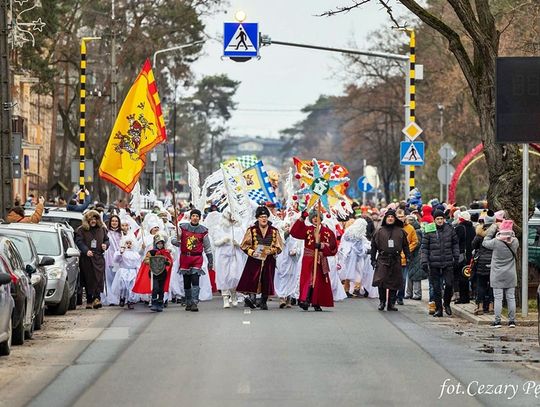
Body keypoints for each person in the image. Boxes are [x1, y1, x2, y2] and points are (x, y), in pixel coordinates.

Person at [237, 206, 284, 310]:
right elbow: (244, 245)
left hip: (269, 260)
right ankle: (252, 299)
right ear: (257, 218)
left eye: (265, 217)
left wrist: (271, 251)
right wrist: (252, 252)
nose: (264, 219)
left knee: (267, 279)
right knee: (252, 278)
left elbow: (279, 246)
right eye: (262, 217)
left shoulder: (274, 231)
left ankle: (263, 301)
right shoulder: (252, 230)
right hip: (254, 259)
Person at [290, 210, 338, 311]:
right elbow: (294, 232)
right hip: (308, 258)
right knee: (308, 279)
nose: (316, 219)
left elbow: (333, 247)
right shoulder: (307, 230)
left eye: (318, 217)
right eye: (313, 217)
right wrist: (301, 219)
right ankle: (305, 300)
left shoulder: (327, 232)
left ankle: (317, 302)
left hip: (320, 259)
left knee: (319, 280)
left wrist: (321, 246)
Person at [172, 209, 214, 312]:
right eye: (193, 216)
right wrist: (176, 241)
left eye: (197, 216)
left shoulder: (203, 231)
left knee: (195, 280)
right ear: (190, 217)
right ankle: (188, 301)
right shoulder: (183, 228)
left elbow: (207, 247)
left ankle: (195, 302)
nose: (195, 218)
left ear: (200, 218)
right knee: (186, 281)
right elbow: (173, 239)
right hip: (185, 257)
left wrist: (210, 260)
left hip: (197, 258)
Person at [421, 209, 459, 317]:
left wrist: (456, 257)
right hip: (434, 262)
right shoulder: (429, 229)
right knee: (436, 287)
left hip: (447, 261)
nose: (440, 221)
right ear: (434, 220)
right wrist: (424, 261)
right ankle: (438, 309)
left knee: (449, 284)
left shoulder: (450, 229)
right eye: (438, 219)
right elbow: (424, 247)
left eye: (441, 219)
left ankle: (446, 303)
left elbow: (455, 244)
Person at [371, 209, 411, 311]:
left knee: (395, 282)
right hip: (382, 258)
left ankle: (391, 304)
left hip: (395, 258)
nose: (390, 218)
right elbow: (373, 247)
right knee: (381, 281)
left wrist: (408, 257)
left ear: (394, 219)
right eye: (388, 217)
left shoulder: (400, 231)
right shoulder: (379, 231)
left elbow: (406, 246)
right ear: (385, 218)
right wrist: (373, 259)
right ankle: (382, 302)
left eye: (392, 217)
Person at [482, 220, 518, 328]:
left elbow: (485, 242)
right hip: (510, 273)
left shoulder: (495, 242)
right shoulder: (515, 241)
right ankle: (512, 321)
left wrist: (493, 228)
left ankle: (497, 321)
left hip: (497, 273)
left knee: (498, 298)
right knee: (511, 297)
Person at [212, 209, 247, 308]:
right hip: (222, 256)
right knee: (223, 277)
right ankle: (225, 298)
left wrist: (238, 244)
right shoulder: (218, 228)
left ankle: (234, 294)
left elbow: (243, 243)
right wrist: (223, 240)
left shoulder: (238, 228)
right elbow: (215, 242)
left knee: (234, 276)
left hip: (234, 255)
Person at [75, 210, 110, 309]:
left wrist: (105, 245)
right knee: (88, 279)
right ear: (87, 220)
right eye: (91, 219)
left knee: (98, 279)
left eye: (95, 219)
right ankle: (89, 300)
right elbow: (79, 241)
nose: (93, 221)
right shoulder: (81, 230)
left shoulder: (102, 229)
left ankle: (97, 299)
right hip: (87, 259)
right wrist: (86, 250)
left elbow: (107, 240)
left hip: (98, 257)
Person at [133, 233, 173, 312]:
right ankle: (154, 303)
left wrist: (166, 262)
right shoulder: (151, 252)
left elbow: (169, 261)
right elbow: (146, 260)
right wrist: (151, 261)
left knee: (161, 289)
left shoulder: (166, 252)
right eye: (158, 243)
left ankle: (160, 303)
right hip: (153, 273)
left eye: (161, 243)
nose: (160, 245)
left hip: (162, 273)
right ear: (155, 243)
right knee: (155, 288)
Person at [471, 211, 495, 315]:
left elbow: (473, 245)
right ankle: (491, 307)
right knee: (492, 285)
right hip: (493, 261)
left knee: (481, 284)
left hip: (481, 262)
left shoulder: (480, 231)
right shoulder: (496, 232)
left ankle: (480, 306)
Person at [274, 221, 303, 308]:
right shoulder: (279, 237)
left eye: (288, 226)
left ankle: (289, 298)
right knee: (281, 277)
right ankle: (282, 297)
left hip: (291, 261)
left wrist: (296, 252)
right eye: (285, 226)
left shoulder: (295, 237)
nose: (287, 228)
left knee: (290, 277)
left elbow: (299, 248)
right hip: (281, 259)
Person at [110, 234, 141, 309]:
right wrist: (120, 253)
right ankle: (122, 297)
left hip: (132, 272)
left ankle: (130, 301)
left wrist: (138, 271)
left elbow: (138, 263)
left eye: (130, 243)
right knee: (123, 286)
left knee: (131, 286)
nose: (129, 245)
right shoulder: (121, 252)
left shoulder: (135, 254)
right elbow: (116, 260)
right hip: (123, 271)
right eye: (127, 243)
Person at [396, 209, 419, 305]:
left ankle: (400, 297)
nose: (400, 218)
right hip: (393, 257)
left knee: (403, 278)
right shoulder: (393, 227)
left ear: (405, 217)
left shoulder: (410, 228)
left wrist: (407, 250)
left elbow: (415, 241)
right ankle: (392, 296)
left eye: (402, 216)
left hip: (404, 257)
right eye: (398, 217)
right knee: (393, 278)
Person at [454, 211, 475, 303]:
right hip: (470, 255)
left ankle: (463, 298)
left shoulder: (459, 228)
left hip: (462, 255)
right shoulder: (473, 228)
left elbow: (455, 242)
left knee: (460, 277)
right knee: (467, 276)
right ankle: (468, 296)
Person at [102, 214, 122, 305]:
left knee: (117, 280)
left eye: (116, 221)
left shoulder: (121, 234)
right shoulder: (106, 233)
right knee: (109, 280)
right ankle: (111, 299)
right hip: (109, 258)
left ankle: (118, 298)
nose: (114, 223)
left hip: (119, 259)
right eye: (113, 221)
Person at [404, 215, 424, 300]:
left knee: (416, 275)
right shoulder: (412, 229)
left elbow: (417, 244)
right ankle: (409, 293)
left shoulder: (417, 231)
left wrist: (407, 248)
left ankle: (417, 293)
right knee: (410, 274)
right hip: (411, 255)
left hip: (416, 255)